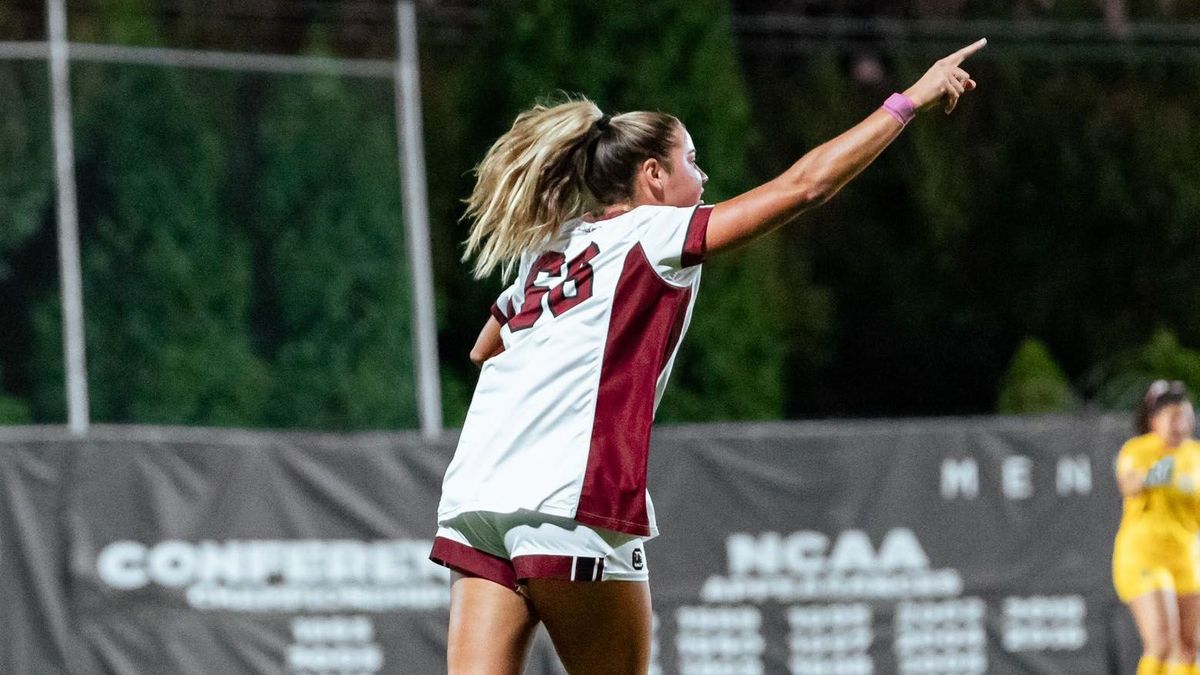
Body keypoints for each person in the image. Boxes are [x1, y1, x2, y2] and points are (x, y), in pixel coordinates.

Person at [429, 38, 988, 674]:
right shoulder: (655, 231)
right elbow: (807, 186)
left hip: (476, 497)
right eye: (692, 161)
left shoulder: (554, 248)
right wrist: (908, 99)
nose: (704, 178)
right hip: (568, 500)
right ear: (653, 177)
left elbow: (486, 345)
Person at [1115, 380, 1200, 675]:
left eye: (1184, 414)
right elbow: (1129, 483)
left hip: (1185, 558)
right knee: (1162, 641)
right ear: (1154, 420)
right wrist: (1151, 477)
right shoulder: (1140, 449)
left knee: (1188, 647)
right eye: (1171, 415)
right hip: (1145, 556)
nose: (1180, 421)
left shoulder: (1196, 456)